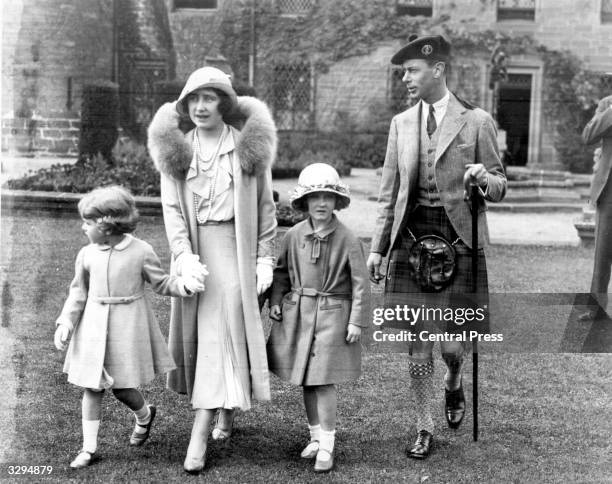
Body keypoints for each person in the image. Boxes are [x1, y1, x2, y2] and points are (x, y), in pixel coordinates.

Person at [367, 35, 506, 459]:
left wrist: (484, 177)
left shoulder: (477, 121)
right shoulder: (400, 123)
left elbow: (500, 187)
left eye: (412, 70)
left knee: (450, 344)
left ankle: (454, 377)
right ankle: (424, 425)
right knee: (418, 339)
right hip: (412, 241)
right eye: (404, 72)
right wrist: (378, 248)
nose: (406, 78)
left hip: (458, 239)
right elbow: (388, 194)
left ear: (438, 70)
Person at [147, 66, 277, 474]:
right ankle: (225, 412)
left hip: (234, 253)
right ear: (186, 105)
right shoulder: (177, 150)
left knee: (223, 329)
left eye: (210, 98)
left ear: (225, 102)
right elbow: (172, 211)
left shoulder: (246, 147)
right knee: (206, 337)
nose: (201, 106)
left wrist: (263, 257)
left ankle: (199, 433)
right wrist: (183, 257)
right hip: (196, 255)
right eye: (194, 99)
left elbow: (265, 211)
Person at [53, 185, 204, 469]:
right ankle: (89, 447)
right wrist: (66, 322)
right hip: (93, 328)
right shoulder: (86, 254)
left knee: (122, 389)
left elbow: (161, 282)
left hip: (128, 327)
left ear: (108, 226)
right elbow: (78, 292)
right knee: (92, 387)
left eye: (88, 222)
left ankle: (145, 415)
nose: (83, 227)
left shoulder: (141, 251)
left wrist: (184, 285)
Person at [266, 163, 370, 473]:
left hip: (333, 316)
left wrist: (355, 321)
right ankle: (314, 437)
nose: (321, 203)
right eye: (315, 198)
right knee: (307, 381)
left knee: (323, 381)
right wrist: (275, 300)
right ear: (303, 203)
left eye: (328, 197)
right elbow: (281, 272)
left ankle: (328, 444)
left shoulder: (349, 239)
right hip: (299, 314)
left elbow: (360, 284)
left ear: (337, 201)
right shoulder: (295, 235)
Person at [581, 95, 612, 320]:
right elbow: (588, 136)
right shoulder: (606, 104)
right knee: (603, 251)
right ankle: (596, 307)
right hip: (609, 188)